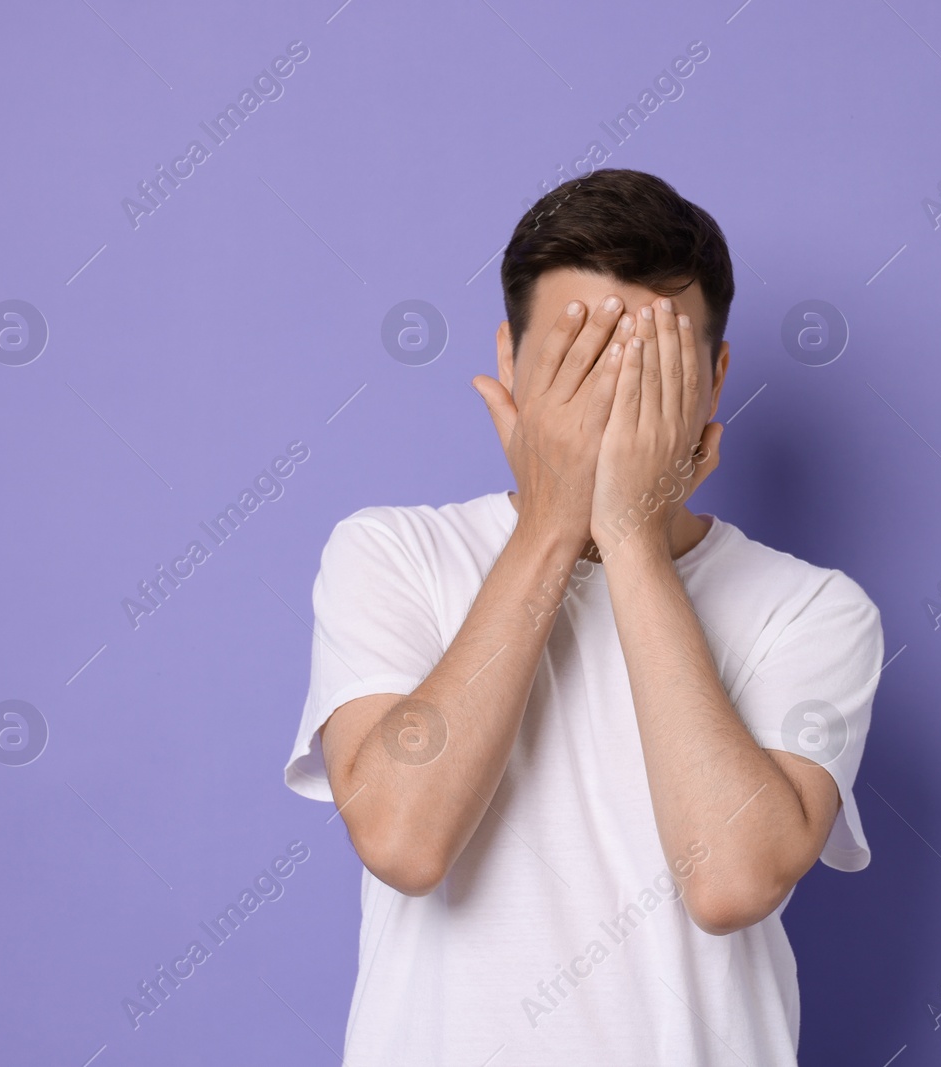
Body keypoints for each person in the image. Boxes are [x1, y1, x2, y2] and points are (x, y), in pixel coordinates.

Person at [283, 168, 884, 1066]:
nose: (610, 401)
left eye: (648, 367)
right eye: (576, 364)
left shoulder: (814, 609)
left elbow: (728, 881)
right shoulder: (391, 555)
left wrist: (632, 539)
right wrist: (555, 524)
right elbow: (405, 840)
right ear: (510, 362)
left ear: (714, 381)